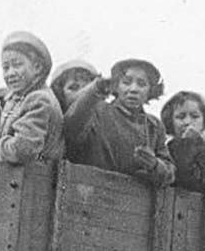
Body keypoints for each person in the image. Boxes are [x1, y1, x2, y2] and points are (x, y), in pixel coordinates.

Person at [64, 57, 174, 186]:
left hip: (134, 196)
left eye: (142, 84)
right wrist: (95, 90)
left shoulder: (154, 126)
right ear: (116, 87)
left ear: (150, 90)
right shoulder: (98, 110)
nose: (133, 89)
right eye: (126, 82)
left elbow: (169, 172)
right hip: (92, 189)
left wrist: (155, 165)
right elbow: (71, 129)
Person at [0, 31, 64, 166]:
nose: (10, 73)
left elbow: (23, 150)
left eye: (17, 65)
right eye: (6, 67)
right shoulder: (16, 98)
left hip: (37, 176)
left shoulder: (39, 99)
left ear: (37, 68)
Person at [160, 90, 205, 192]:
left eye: (195, 116)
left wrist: (201, 144)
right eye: (180, 117)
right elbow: (185, 177)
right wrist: (190, 141)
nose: (187, 122)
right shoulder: (168, 150)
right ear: (170, 122)